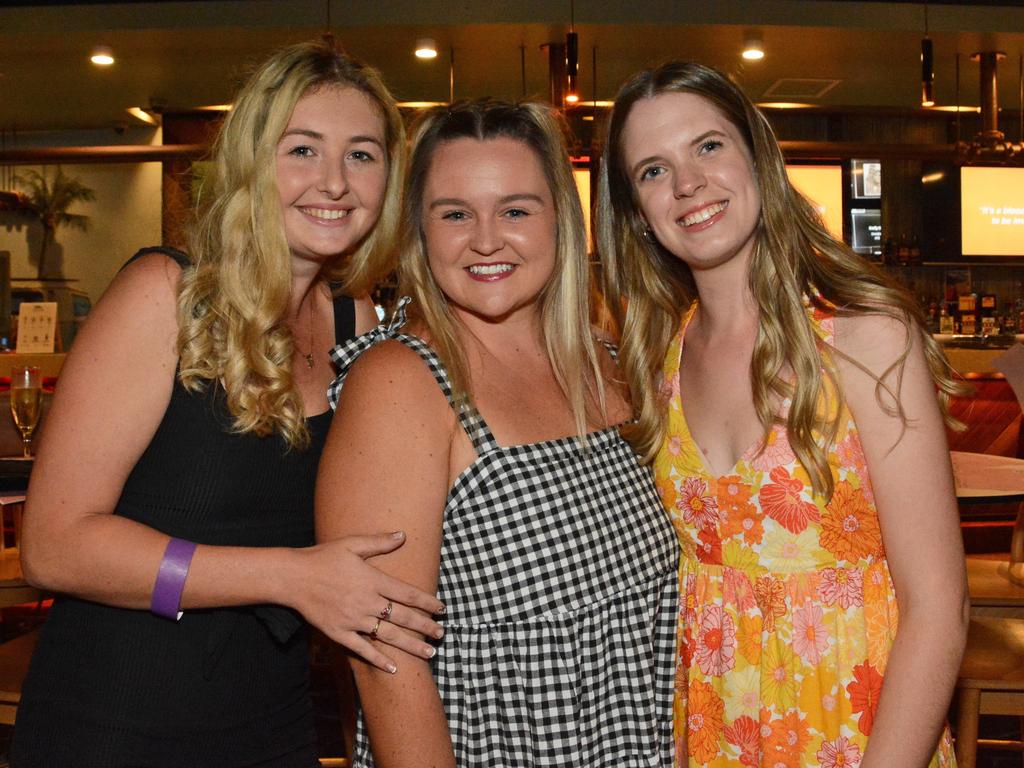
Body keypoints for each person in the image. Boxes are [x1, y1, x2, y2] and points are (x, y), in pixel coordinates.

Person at [12, 41, 444, 768]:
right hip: (114, 724)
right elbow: (52, 546)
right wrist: (289, 576)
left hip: (271, 725)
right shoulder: (168, 296)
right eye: (302, 149)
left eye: (362, 155)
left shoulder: (359, 324)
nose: (334, 182)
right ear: (251, 160)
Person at [597, 61, 968, 767]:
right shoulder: (656, 365)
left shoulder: (864, 336)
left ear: (757, 156)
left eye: (708, 146)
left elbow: (940, 609)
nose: (686, 184)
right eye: (652, 170)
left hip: (863, 736)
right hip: (717, 738)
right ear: (635, 213)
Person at [316, 99, 678, 767]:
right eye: (455, 214)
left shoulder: (605, 360)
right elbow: (384, 660)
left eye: (516, 210)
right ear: (419, 232)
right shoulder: (401, 381)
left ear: (561, 223)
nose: (486, 240)